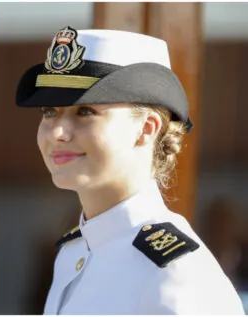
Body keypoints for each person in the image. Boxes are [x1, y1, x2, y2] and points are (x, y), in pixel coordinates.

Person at [15, 26, 245, 314]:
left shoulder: (176, 275)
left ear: (145, 130)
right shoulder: (73, 252)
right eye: (49, 112)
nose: (57, 132)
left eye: (85, 111)